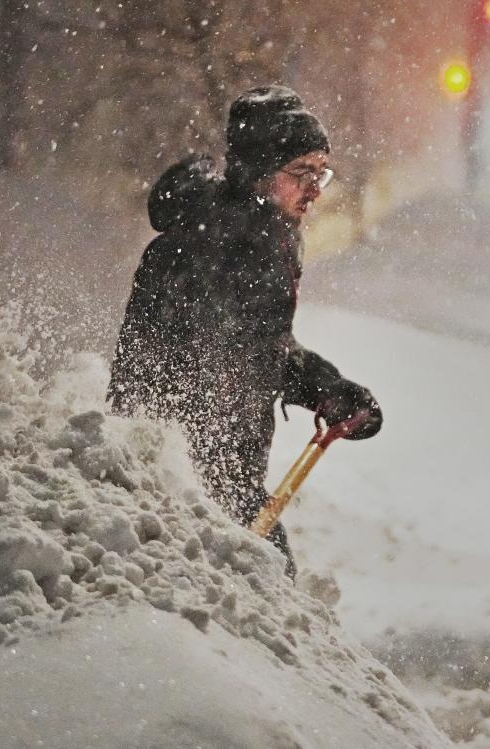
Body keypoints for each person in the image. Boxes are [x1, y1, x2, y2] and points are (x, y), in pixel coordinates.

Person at [107, 85, 382, 578]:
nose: (316, 188)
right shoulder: (221, 242)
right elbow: (216, 360)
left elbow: (259, 344)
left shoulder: (262, 230)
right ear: (258, 173)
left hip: (214, 474)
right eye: (301, 173)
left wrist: (328, 390)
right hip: (187, 480)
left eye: (321, 172)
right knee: (258, 591)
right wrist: (218, 491)